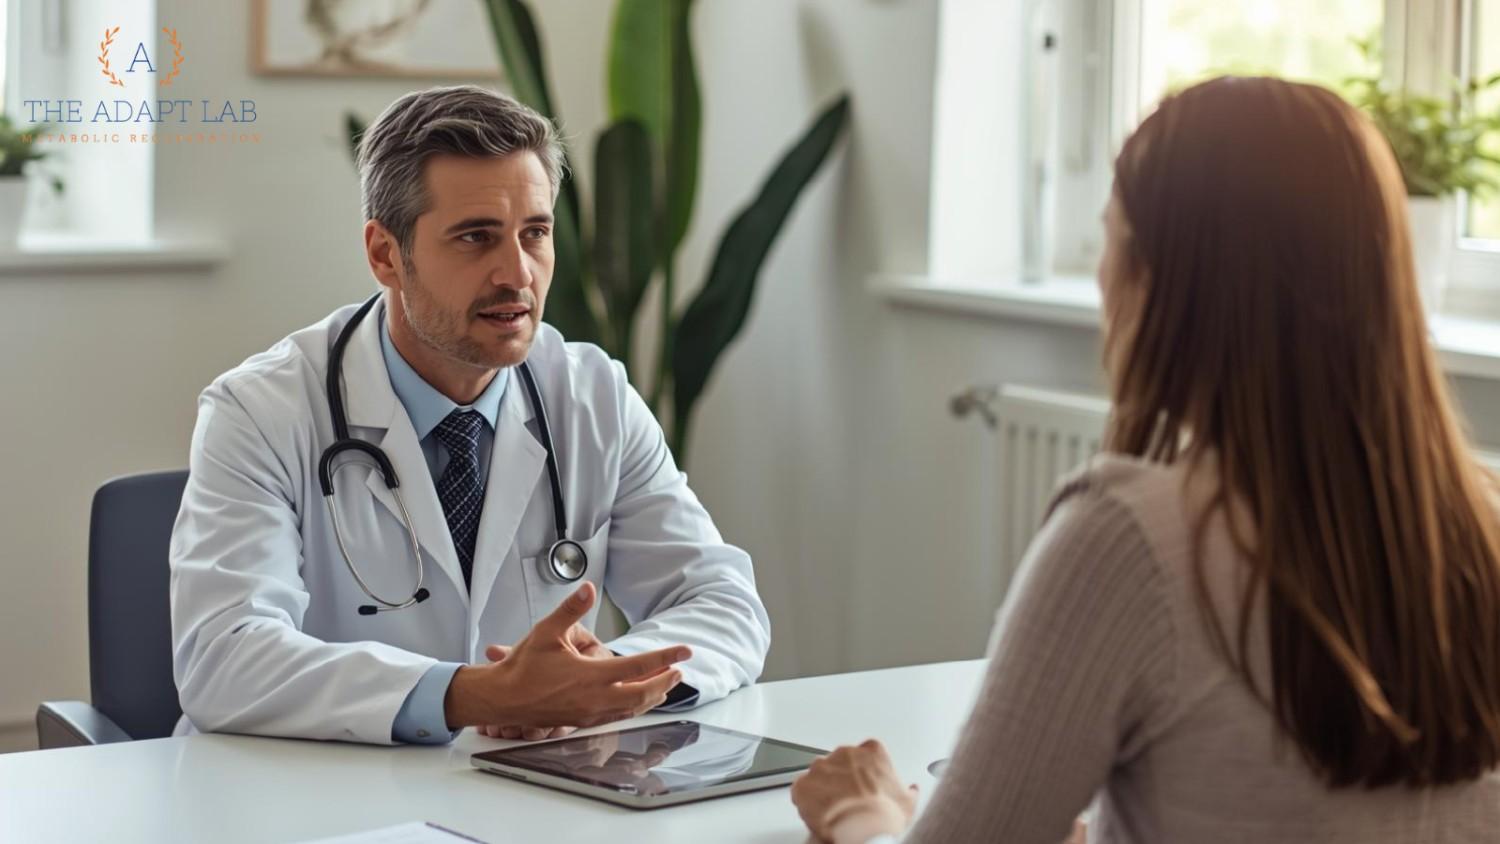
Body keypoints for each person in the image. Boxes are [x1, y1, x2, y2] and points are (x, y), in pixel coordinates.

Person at [792, 76, 1500, 842]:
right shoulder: (1479, 530)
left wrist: (866, 814)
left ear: (1159, 280)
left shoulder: (1135, 538)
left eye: (1110, 239)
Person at [169, 85, 771, 745]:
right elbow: (223, 658)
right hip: (314, 798)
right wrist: (470, 696)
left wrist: (609, 677)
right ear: (385, 255)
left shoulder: (592, 395)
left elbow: (722, 604)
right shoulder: (261, 410)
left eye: (534, 233)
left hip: (534, 788)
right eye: (475, 238)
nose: (516, 273)